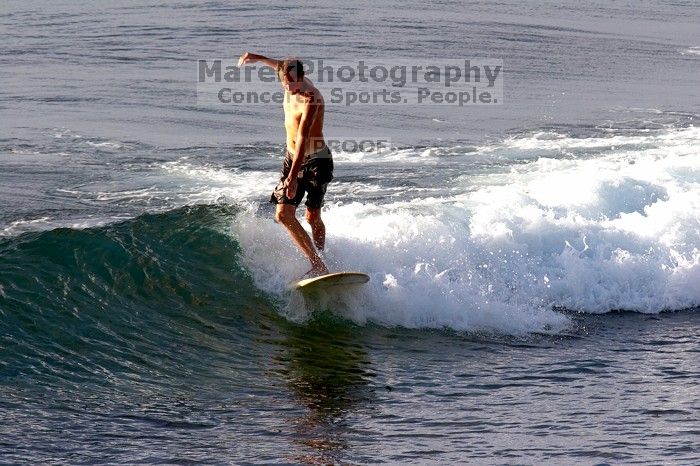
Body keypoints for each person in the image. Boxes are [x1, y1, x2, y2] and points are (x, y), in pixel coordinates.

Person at [237, 53, 333, 276]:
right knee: (283, 215)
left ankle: (320, 260)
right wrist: (256, 58)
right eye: (285, 83)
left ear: (303, 76)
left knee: (312, 217)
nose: (290, 88)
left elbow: (302, 139)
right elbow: (278, 65)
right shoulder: (287, 78)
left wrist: (291, 177)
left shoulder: (311, 98)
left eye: (294, 82)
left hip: (317, 162)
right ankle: (317, 263)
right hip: (292, 158)